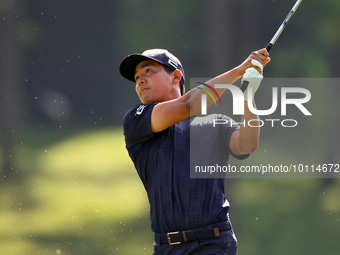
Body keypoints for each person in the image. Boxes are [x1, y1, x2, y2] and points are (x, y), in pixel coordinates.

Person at [119, 48, 270, 255]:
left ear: (175, 76)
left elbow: (246, 145)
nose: (140, 81)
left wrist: (249, 97)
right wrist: (239, 70)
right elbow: (188, 105)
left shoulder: (216, 123)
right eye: (137, 78)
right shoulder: (136, 120)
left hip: (213, 244)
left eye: (148, 71)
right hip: (166, 247)